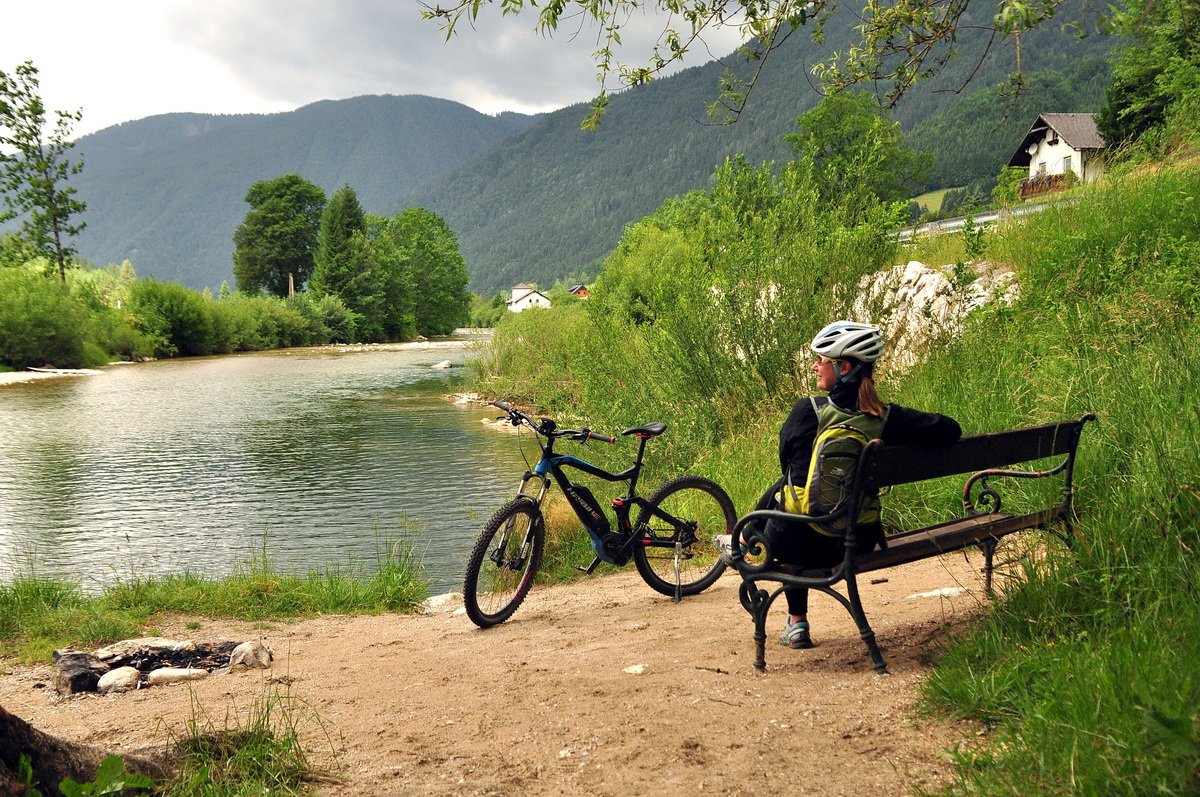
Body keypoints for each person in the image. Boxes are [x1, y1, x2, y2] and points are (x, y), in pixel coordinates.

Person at [755, 320, 962, 650]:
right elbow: (950, 429)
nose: (815, 365)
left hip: (799, 540)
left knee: (775, 510)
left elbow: (788, 468)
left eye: (821, 359)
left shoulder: (806, 412)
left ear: (845, 367)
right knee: (782, 503)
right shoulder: (887, 418)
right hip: (860, 539)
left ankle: (797, 622)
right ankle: (795, 621)